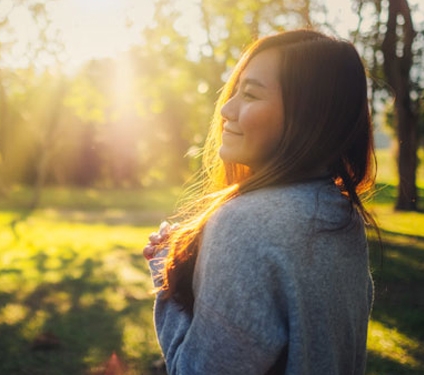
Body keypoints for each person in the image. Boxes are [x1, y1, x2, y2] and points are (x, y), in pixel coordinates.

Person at [143, 29, 378, 374]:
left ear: (309, 115)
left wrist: (166, 279)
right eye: (235, 90)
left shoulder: (244, 224)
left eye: (250, 94)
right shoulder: (339, 212)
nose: (226, 108)